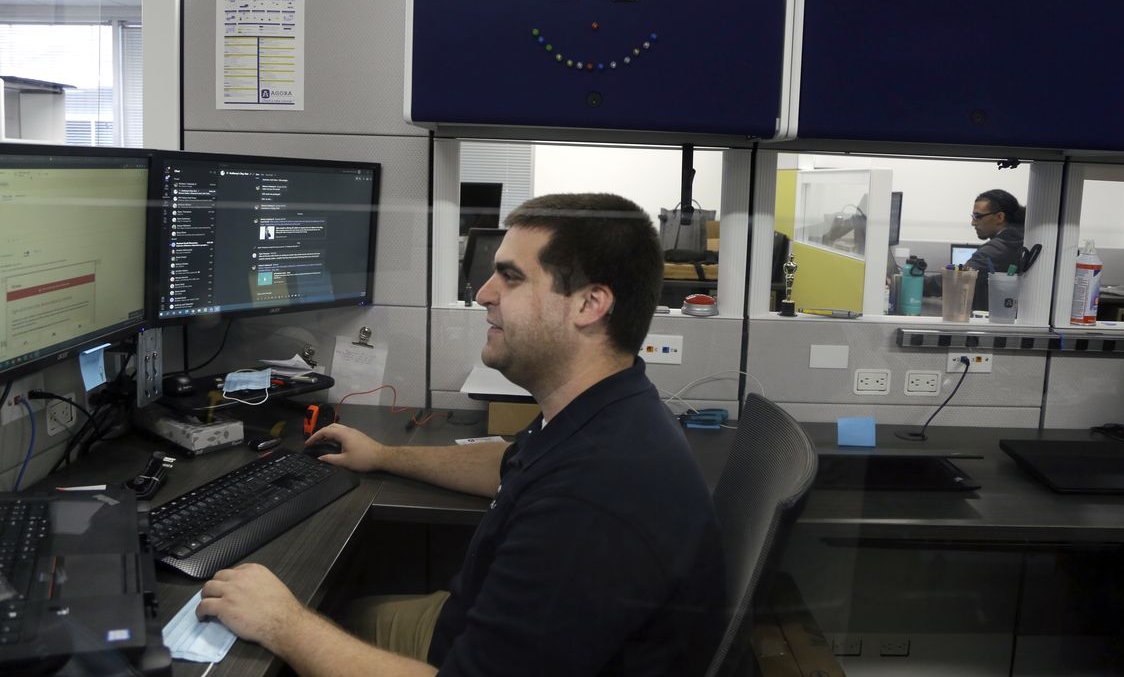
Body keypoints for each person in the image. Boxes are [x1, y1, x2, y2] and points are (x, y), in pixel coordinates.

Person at [197, 193, 727, 677]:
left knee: (271, 648)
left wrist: (282, 623)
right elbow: (508, 463)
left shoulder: (595, 496)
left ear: (589, 305)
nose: (482, 294)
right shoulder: (601, 409)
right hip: (465, 623)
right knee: (338, 609)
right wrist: (383, 455)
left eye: (511, 277)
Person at [925, 189, 1025, 311]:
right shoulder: (1020, 237)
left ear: (1000, 217)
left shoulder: (998, 248)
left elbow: (957, 279)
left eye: (978, 216)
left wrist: (911, 283)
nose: (973, 223)